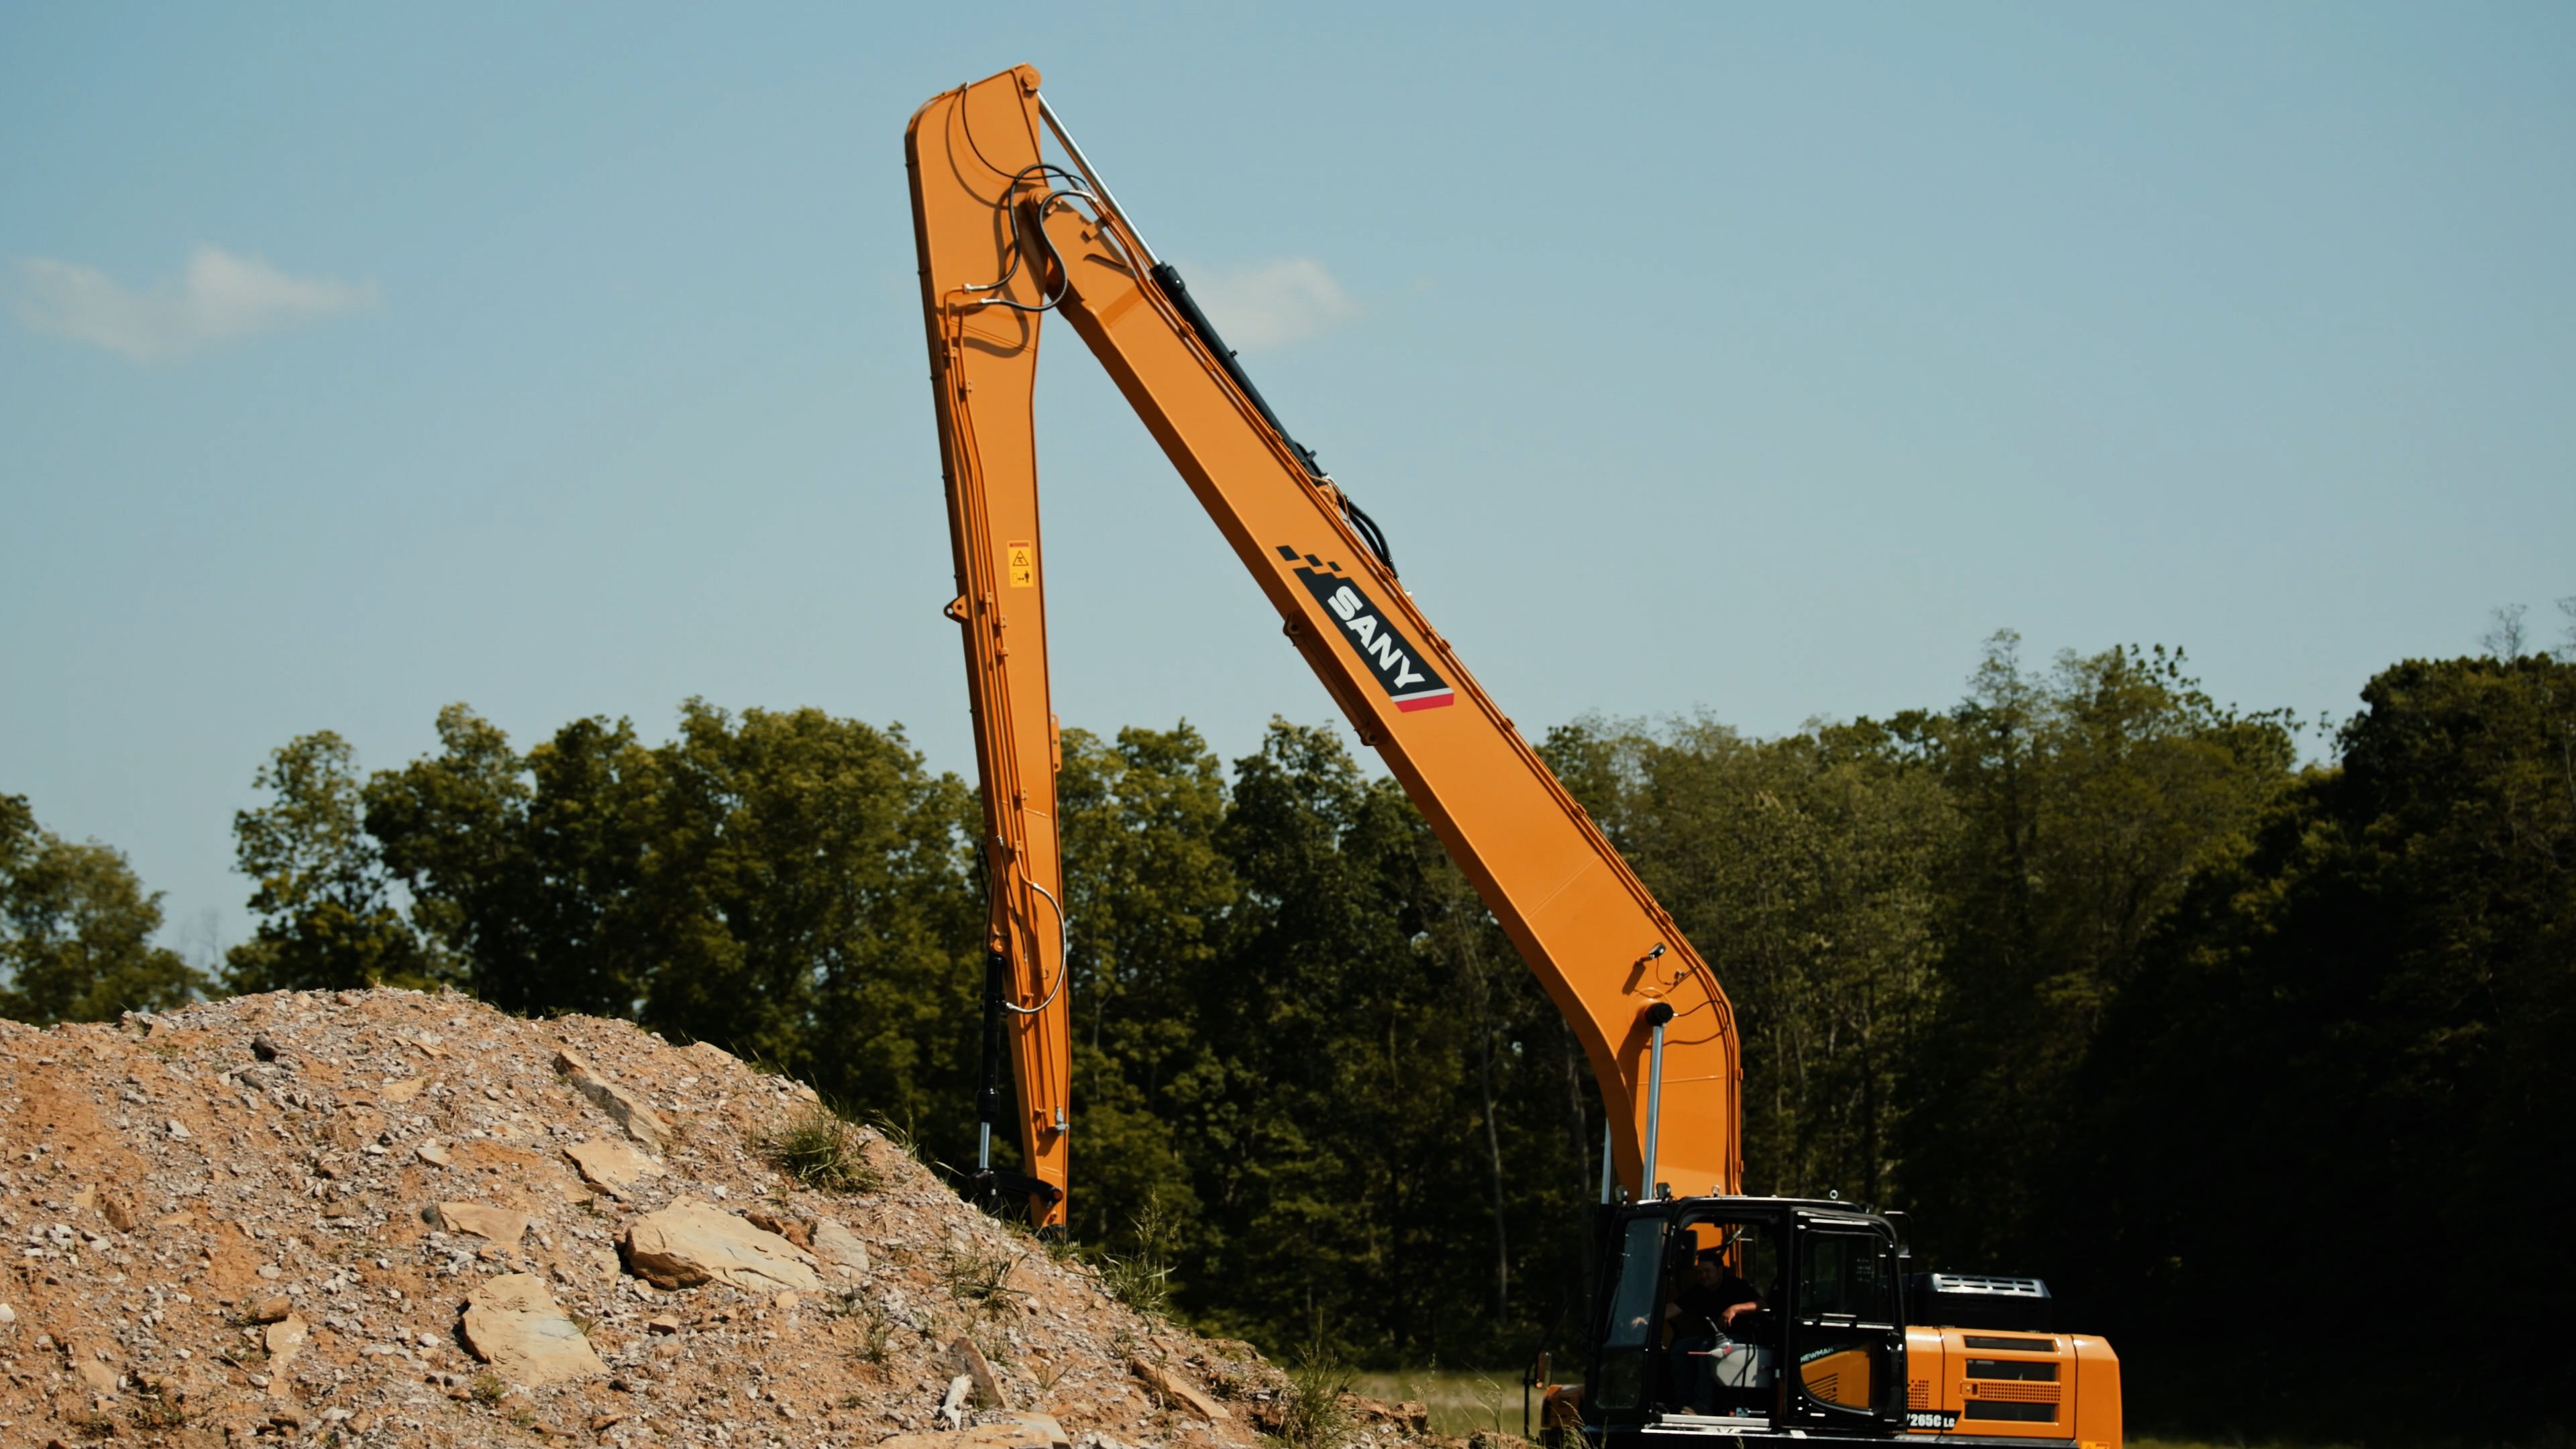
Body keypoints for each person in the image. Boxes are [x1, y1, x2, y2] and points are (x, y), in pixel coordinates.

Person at [1666, 1247, 1763, 1412]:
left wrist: (1736, 1308)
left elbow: (1762, 1304)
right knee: (1680, 1348)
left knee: (1707, 1347)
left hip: (1741, 1340)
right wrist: (1646, 1318)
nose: (1704, 1276)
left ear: (1720, 1270)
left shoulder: (1737, 1286)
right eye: (1700, 1272)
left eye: (1708, 1271)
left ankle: (1702, 1406)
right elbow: (1674, 1308)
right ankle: (1682, 1403)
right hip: (1713, 1339)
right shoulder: (1699, 1290)